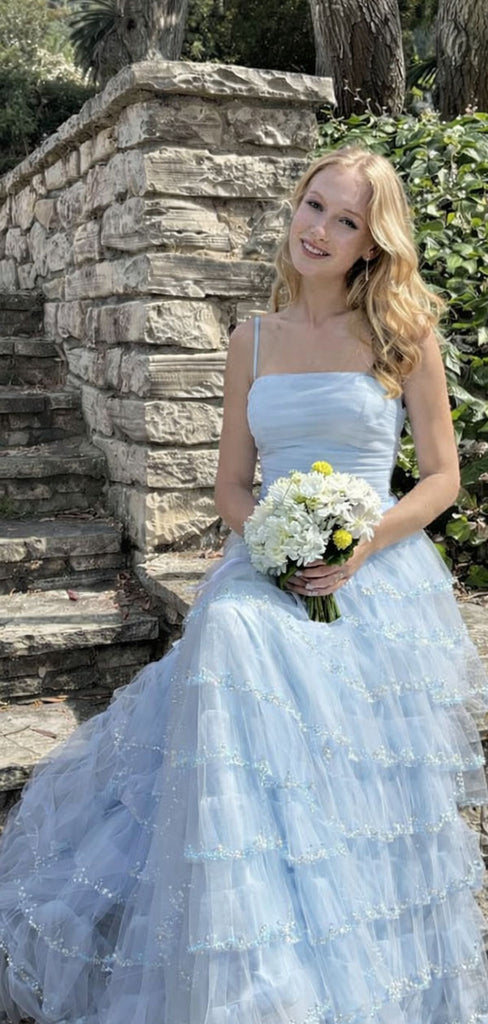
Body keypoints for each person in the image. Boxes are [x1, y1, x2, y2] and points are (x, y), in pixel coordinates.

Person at [0, 145, 487, 1024]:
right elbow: (231, 484)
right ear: (294, 207)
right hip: (267, 561)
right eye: (314, 205)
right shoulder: (249, 340)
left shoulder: (403, 334)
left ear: (372, 245)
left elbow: (442, 477)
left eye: (347, 221)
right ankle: (243, 966)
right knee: (230, 636)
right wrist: (270, 544)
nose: (321, 230)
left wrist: (362, 543)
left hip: (373, 564)